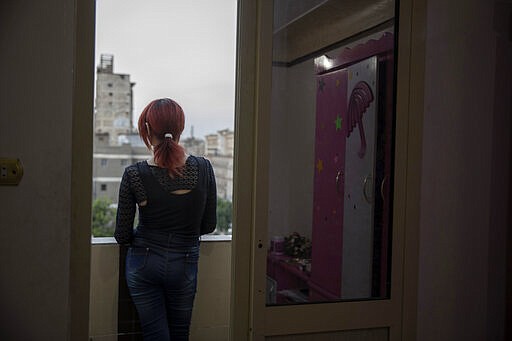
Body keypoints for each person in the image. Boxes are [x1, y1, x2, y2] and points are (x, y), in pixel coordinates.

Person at [114, 98, 217, 341]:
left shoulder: (134, 174)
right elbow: (209, 225)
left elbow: (122, 235)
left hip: (144, 263)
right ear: (180, 129)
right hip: (185, 261)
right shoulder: (204, 168)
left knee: (154, 334)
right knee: (180, 334)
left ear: (148, 130)